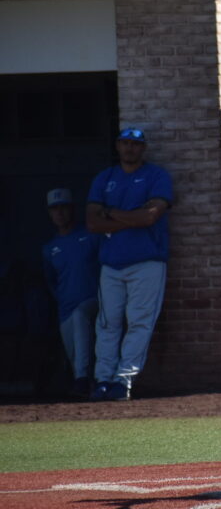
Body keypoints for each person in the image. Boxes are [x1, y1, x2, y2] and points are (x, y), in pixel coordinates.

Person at [86, 128, 173, 401]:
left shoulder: (156, 176)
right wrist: (130, 217)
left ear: (143, 148)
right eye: (125, 143)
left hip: (147, 261)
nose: (129, 149)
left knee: (139, 322)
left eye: (135, 144)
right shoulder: (105, 177)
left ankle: (123, 382)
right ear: (117, 146)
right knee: (108, 323)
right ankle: (102, 379)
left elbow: (150, 217)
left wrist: (110, 212)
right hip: (111, 264)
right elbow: (92, 223)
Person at [42, 188, 101, 398]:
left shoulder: (90, 235)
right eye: (55, 209)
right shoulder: (50, 248)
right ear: (50, 213)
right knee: (76, 360)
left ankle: (86, 380)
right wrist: (60, 299)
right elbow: (50, 280)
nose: (60, 213)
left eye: (64, 208)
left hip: (92, 302)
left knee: (81, 316)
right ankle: (90, 408)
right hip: (65, 309)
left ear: (72, 209)